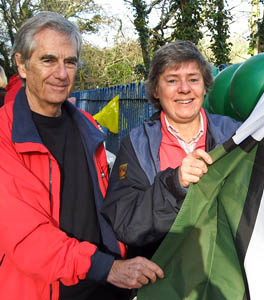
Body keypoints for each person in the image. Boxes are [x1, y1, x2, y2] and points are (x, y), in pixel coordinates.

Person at [0, 11, 163, 300]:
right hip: (49, 289)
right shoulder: (5, 136)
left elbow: (107, 208)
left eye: (70, 62)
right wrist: (108, 268)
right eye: (48, 60)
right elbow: (28, 239)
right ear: (22, 65)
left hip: (106, 285)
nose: (62, 74)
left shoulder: (87, 126)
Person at [102, 41, 241, 258]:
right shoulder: (137, 144)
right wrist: (174, 184)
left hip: (223, 272)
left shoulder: (234, 135)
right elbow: (125, 224)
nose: (184, 89)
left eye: (193, 79)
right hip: (162, 272)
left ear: (205, 86)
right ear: (156, 90)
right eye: (172, 80)